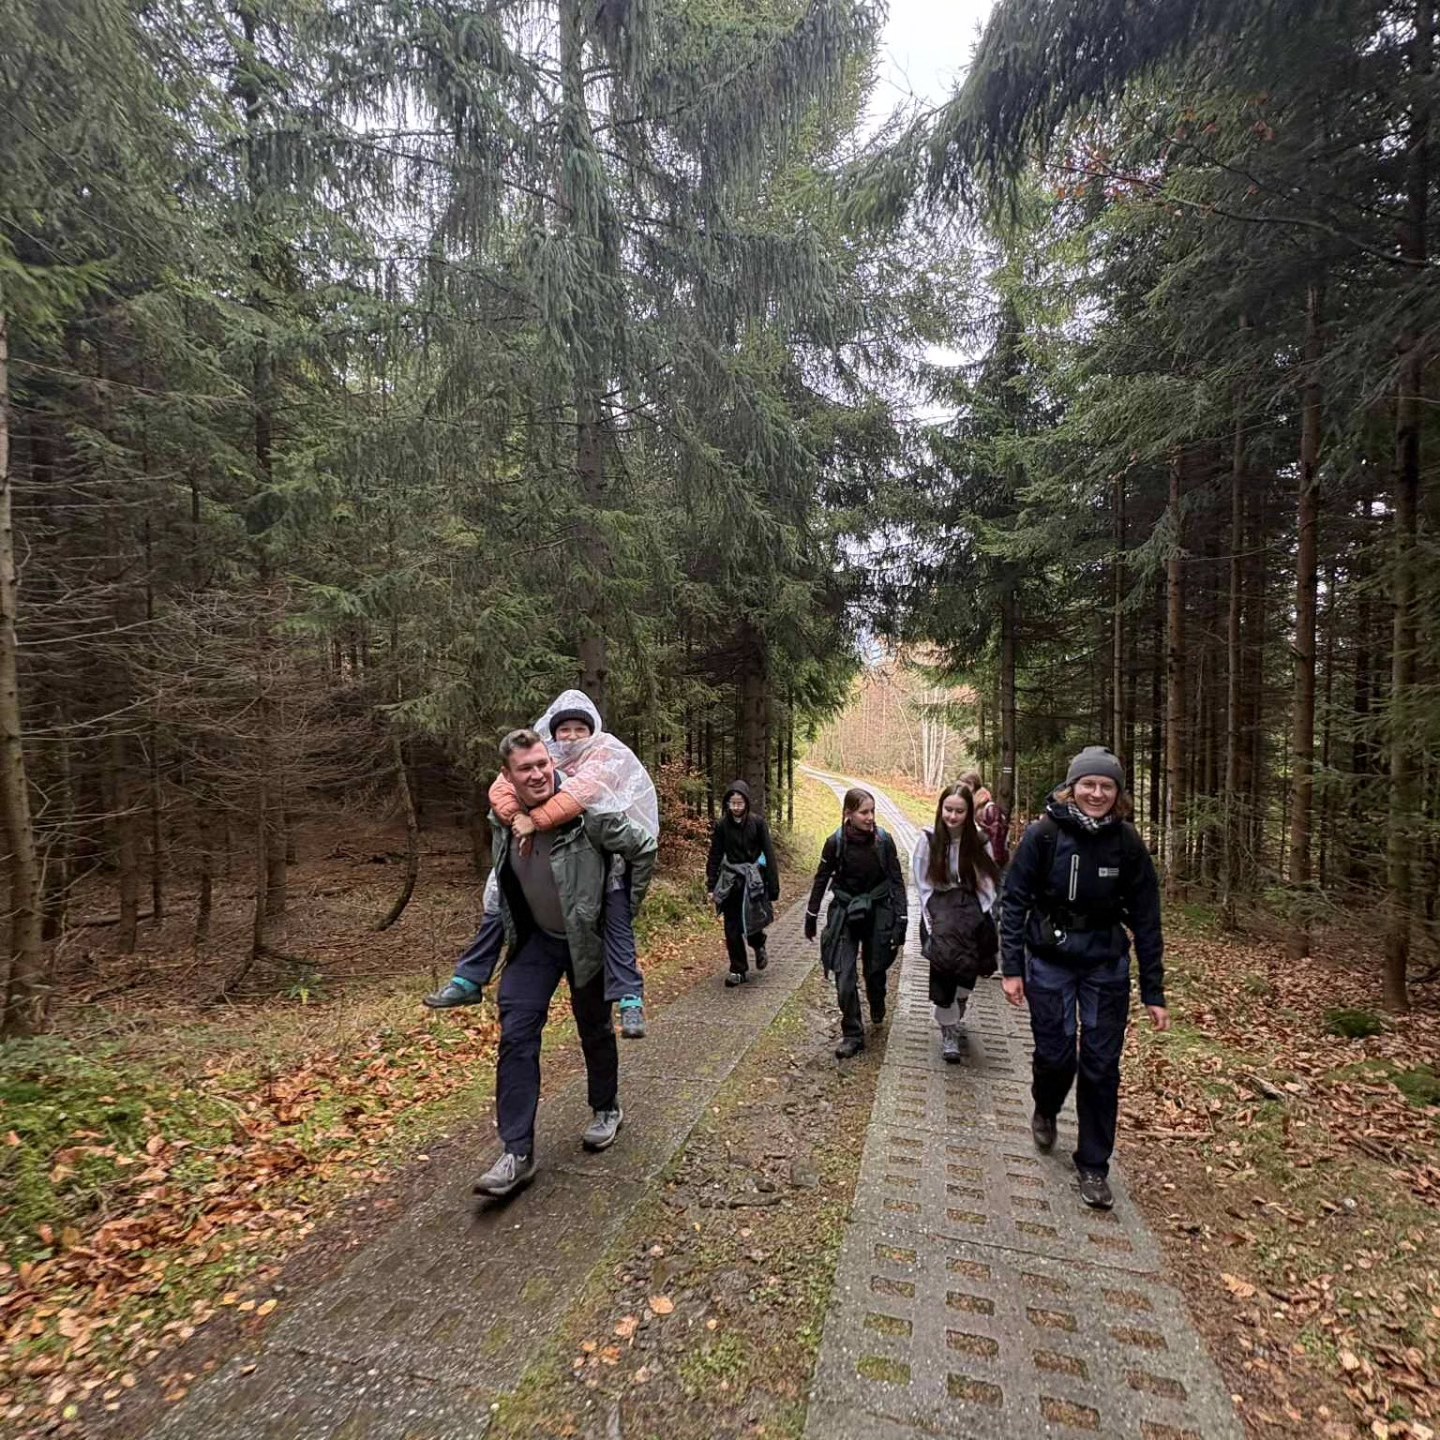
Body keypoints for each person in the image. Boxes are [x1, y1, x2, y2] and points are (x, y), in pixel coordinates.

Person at [470, 728, 658, 1198]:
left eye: (542, 764)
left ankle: (606, 1107)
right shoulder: (504, 819)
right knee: (516, 1035)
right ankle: (517, 1152)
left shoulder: (588, 814)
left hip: (585, 941)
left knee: (594, 1027)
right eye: (525, 768)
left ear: (551, 763)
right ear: (508, 775)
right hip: (535, 942)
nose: (536, 774)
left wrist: (623, 907)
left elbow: (643, 846)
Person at [425, 690, 658, 1040]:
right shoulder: (543, 758)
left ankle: (629, 998)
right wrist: (515, 816)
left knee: (616, 920)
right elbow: (500, 790)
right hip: (541, 864)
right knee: (501, 898)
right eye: (564, 730)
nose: (572, 737)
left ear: (592, 731)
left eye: (580, 729)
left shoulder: (605, 755)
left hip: (603, 865)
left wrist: (534, 820)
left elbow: (579, 795)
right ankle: (469, 977)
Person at [998, 745, 1169, 1211]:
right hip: (1049, 960)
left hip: (1105, 965)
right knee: (1056, 1057)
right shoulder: (1044, 835)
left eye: (1106, 786)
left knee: (1101, 1065)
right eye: (1088, 784)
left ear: (1118, 793)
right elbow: (1014, 901)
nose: (1097, 793)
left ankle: (1094, 1164)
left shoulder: (1127, 844)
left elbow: (1147, 918)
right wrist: (1011, 967)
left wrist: (1154, 990)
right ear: (1072, 788)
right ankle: (1046, 1105)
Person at [804, 788, 907, 1059]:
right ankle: (852, 1033)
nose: (870, 817)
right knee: (844, 976)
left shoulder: (884, 841)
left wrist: (901, 919)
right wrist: (811, 915)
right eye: (864, 812)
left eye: (872, 811)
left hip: (878, 910)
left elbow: (896, 880)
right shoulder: (834, 843)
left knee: (875, 970)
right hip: (845, 912)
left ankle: (877, 1000)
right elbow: (821, 878)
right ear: (848, 814)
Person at [912, 785, 1001, 1063]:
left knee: (967, 972)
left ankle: (959, 1009)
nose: (952, 816)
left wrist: (978, 916)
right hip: (940, 913)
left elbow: (987, 883)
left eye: (959, 811)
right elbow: (922, 882)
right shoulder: (928, 840)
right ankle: (948, 1032)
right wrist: (933, 918)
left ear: (968, 812)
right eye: (948, 809)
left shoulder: (980, 840)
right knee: (943, 972)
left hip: (971, 913)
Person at [706, 780, 780, 987]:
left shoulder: (758, 823)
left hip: (753, 882)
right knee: (732, 927)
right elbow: (715, 855)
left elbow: (769, 854)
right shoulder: (722, 826)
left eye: (740, 803)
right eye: (733, 803)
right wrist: (711, 886)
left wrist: (773, 885)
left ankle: (758, 945)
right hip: (730, 882)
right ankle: (738, 969)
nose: (736, 807)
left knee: (752, 923)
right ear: (727, 804)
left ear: (746, 803)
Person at [960, 768, 1010, 868]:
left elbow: (997, 843)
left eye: (961, 785)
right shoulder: (972, 806)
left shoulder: (990, 809)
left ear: (971, 785)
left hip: (991, 865)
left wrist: (993, 868)